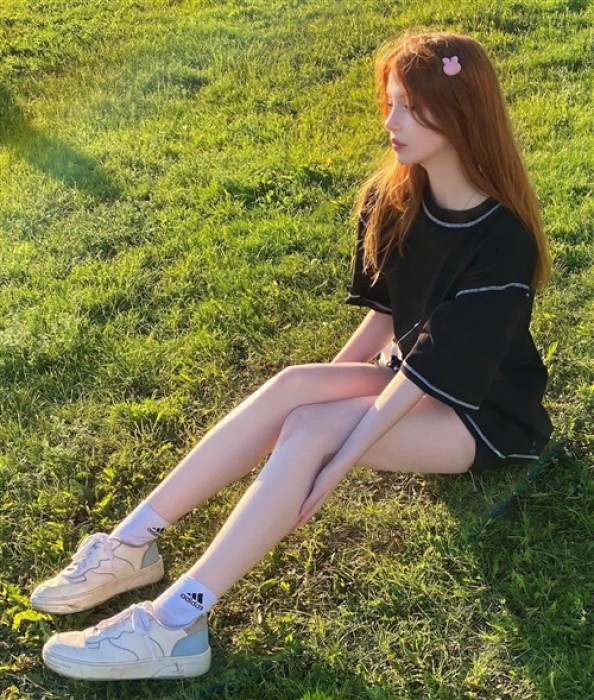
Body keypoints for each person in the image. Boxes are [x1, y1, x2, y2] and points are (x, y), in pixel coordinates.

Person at [32, 30, 554, 681]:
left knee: (310, 428)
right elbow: (387, 317)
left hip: (483, 416)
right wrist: (319, 387)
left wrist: (336, 459)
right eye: (389, 102)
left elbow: (429, 377)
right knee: (293, 387)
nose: (390, 122)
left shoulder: (502, 240)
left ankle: (176, 623)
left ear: (460, 112)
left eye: (410, 107)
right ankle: (130, 544)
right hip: (410, 376)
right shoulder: (391, 198)